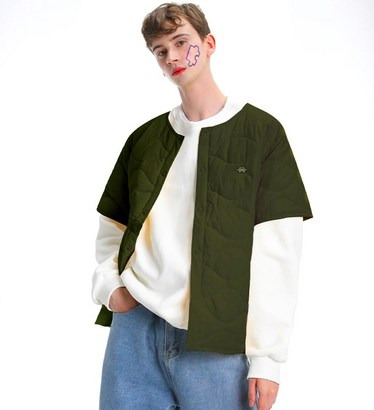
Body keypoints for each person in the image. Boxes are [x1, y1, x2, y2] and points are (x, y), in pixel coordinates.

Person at [91, 2, 313, 409]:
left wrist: (267, 358)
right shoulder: (145, 139)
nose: (172, 56)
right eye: (160, 51)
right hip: (135, 332)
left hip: (216, 338)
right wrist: (110, 287)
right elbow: (113, 225)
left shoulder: (261, 133)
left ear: (209, 44)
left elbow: (278, 252)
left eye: (181, 42)